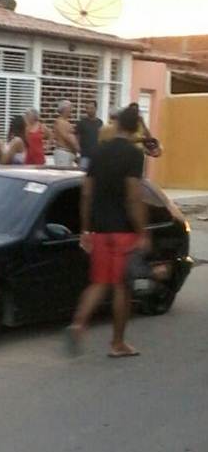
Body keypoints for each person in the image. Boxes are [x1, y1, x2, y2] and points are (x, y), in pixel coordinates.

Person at [67, 106, 148, 359]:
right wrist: (142, 231)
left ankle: (78, 323)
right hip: (124, 232)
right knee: (122, 288)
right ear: (135, 128)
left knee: (99, 283)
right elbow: (133, 196)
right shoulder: (134, 155)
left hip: (100, 231)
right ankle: (117, 343)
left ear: (117, 125)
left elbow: (86, 193)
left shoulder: (98, 152)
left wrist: (85, 229)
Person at [75, 100, 103, 170]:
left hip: (97, 156)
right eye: (87, 108)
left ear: (96, 109)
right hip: (85, 156)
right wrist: (78, 153)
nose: (89, 110)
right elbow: (77, 138)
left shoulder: (100, 123)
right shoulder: (82, 123)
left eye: (91, 108)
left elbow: (101, 138)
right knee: (82, 173)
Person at [53, 100, 79, 167]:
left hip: (68, 153)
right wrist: (78, 148)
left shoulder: (66, 122)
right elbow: (68, 138)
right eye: (70, 108)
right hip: (63, 154)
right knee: (63, 172)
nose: (71, 110)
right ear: (65, 109)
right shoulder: (60, 122)